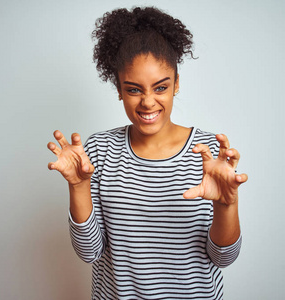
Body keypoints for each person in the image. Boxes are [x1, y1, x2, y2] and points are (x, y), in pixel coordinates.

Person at [47, 6, 248, 300]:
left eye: (161, 87)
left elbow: (223, 259)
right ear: (118, 88)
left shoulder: (207, 154)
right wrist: (78, 186)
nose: (148, 102)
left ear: (176, 84)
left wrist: (226, 205)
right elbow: (89, 252)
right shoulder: (99, 150)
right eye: (133, 90)